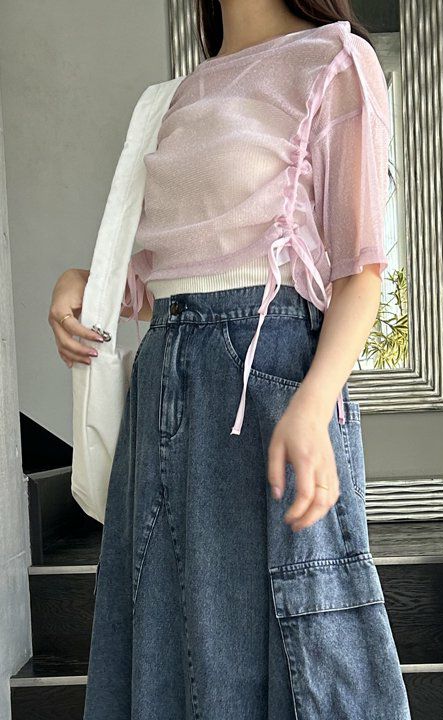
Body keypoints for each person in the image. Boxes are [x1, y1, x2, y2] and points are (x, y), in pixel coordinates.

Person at [48, 1, 412, 717]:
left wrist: (314, 403)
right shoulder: (172, 98)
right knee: (161, 643)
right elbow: (162, 284)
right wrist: (78, 284)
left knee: (297, 646)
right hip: (163, 386)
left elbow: (359, 274)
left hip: (271, 384)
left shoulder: (334, 60)